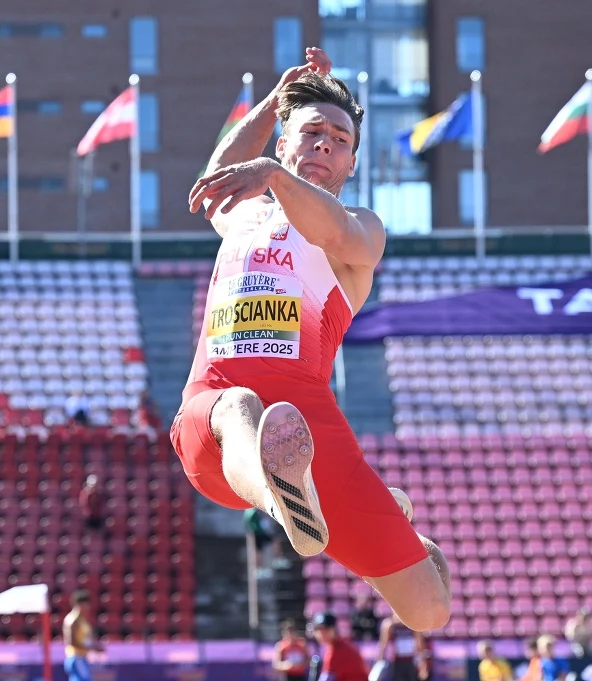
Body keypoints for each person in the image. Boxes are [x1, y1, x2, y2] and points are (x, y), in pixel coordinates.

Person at [171, 45, 450, 632]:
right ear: (282, 142)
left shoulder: (361, 231)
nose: (325, 143)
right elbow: (217, 174)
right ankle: (287, 501)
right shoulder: (244, 217)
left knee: (428, 610)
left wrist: (271, 174)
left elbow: (332, 226)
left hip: (306, 428)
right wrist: (274, 101)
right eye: (311, 131)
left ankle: (342, 516)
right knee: (241, 406)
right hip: (212, 421)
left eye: (341, 139)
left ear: (350, 165)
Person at [311, 613, 368, 681]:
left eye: (326, 630)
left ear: (334, 629)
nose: (322, 634)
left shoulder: (340, 650)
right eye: (319, 630)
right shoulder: (338, 646)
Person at [63, 590, 103, 681]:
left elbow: (85, 639)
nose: (88, 607)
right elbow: (70, 641)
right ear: (79, 603)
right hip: (76, 657)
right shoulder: (72, 620)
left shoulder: (83, 620)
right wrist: (90, 647)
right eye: (86, 604)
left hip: (82, 657)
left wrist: (93, 645)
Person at [378, 614, 431, 681]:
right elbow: (384, 644)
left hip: (410, 661)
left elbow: (419, 644)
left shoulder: (413, 626)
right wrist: (379, 661)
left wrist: (422, 664)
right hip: (396, 662)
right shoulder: (391, 626)